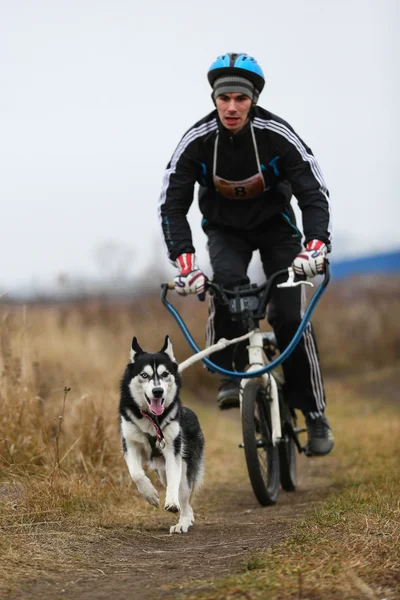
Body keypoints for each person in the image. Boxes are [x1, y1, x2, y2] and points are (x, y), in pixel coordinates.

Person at [158, 52, 334, 456]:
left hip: (278, 230)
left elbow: (313, 192)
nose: (232, 107)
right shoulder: (197, 141)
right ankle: (231, 375)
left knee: (290, 316)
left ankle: (314, 412)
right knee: (228, 291)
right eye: (224, 99)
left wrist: (316, 245)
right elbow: (172, 203)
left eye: (240, 98)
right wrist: (185, 263)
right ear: (214, 100)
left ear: (252, 100)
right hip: (224, 230)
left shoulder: (277, 134)